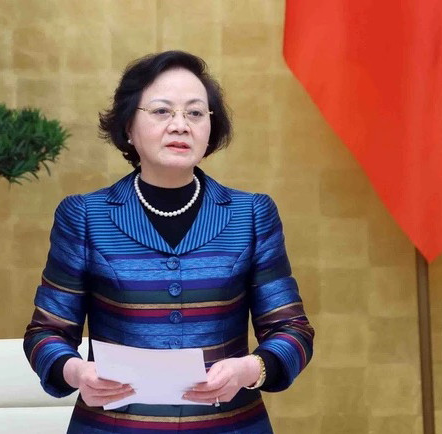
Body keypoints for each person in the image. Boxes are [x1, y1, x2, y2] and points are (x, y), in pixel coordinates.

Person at [24, 50, 314, 434]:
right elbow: (46, 333)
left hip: (229, 425)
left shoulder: (251, 214)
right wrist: (76, 371)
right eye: (162, 111)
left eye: (195, 113)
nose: (180, 126)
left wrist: (251, 368)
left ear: (211, 128)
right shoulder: (85, 216)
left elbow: (292, 330)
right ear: (129, 127)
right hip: (114, 426)